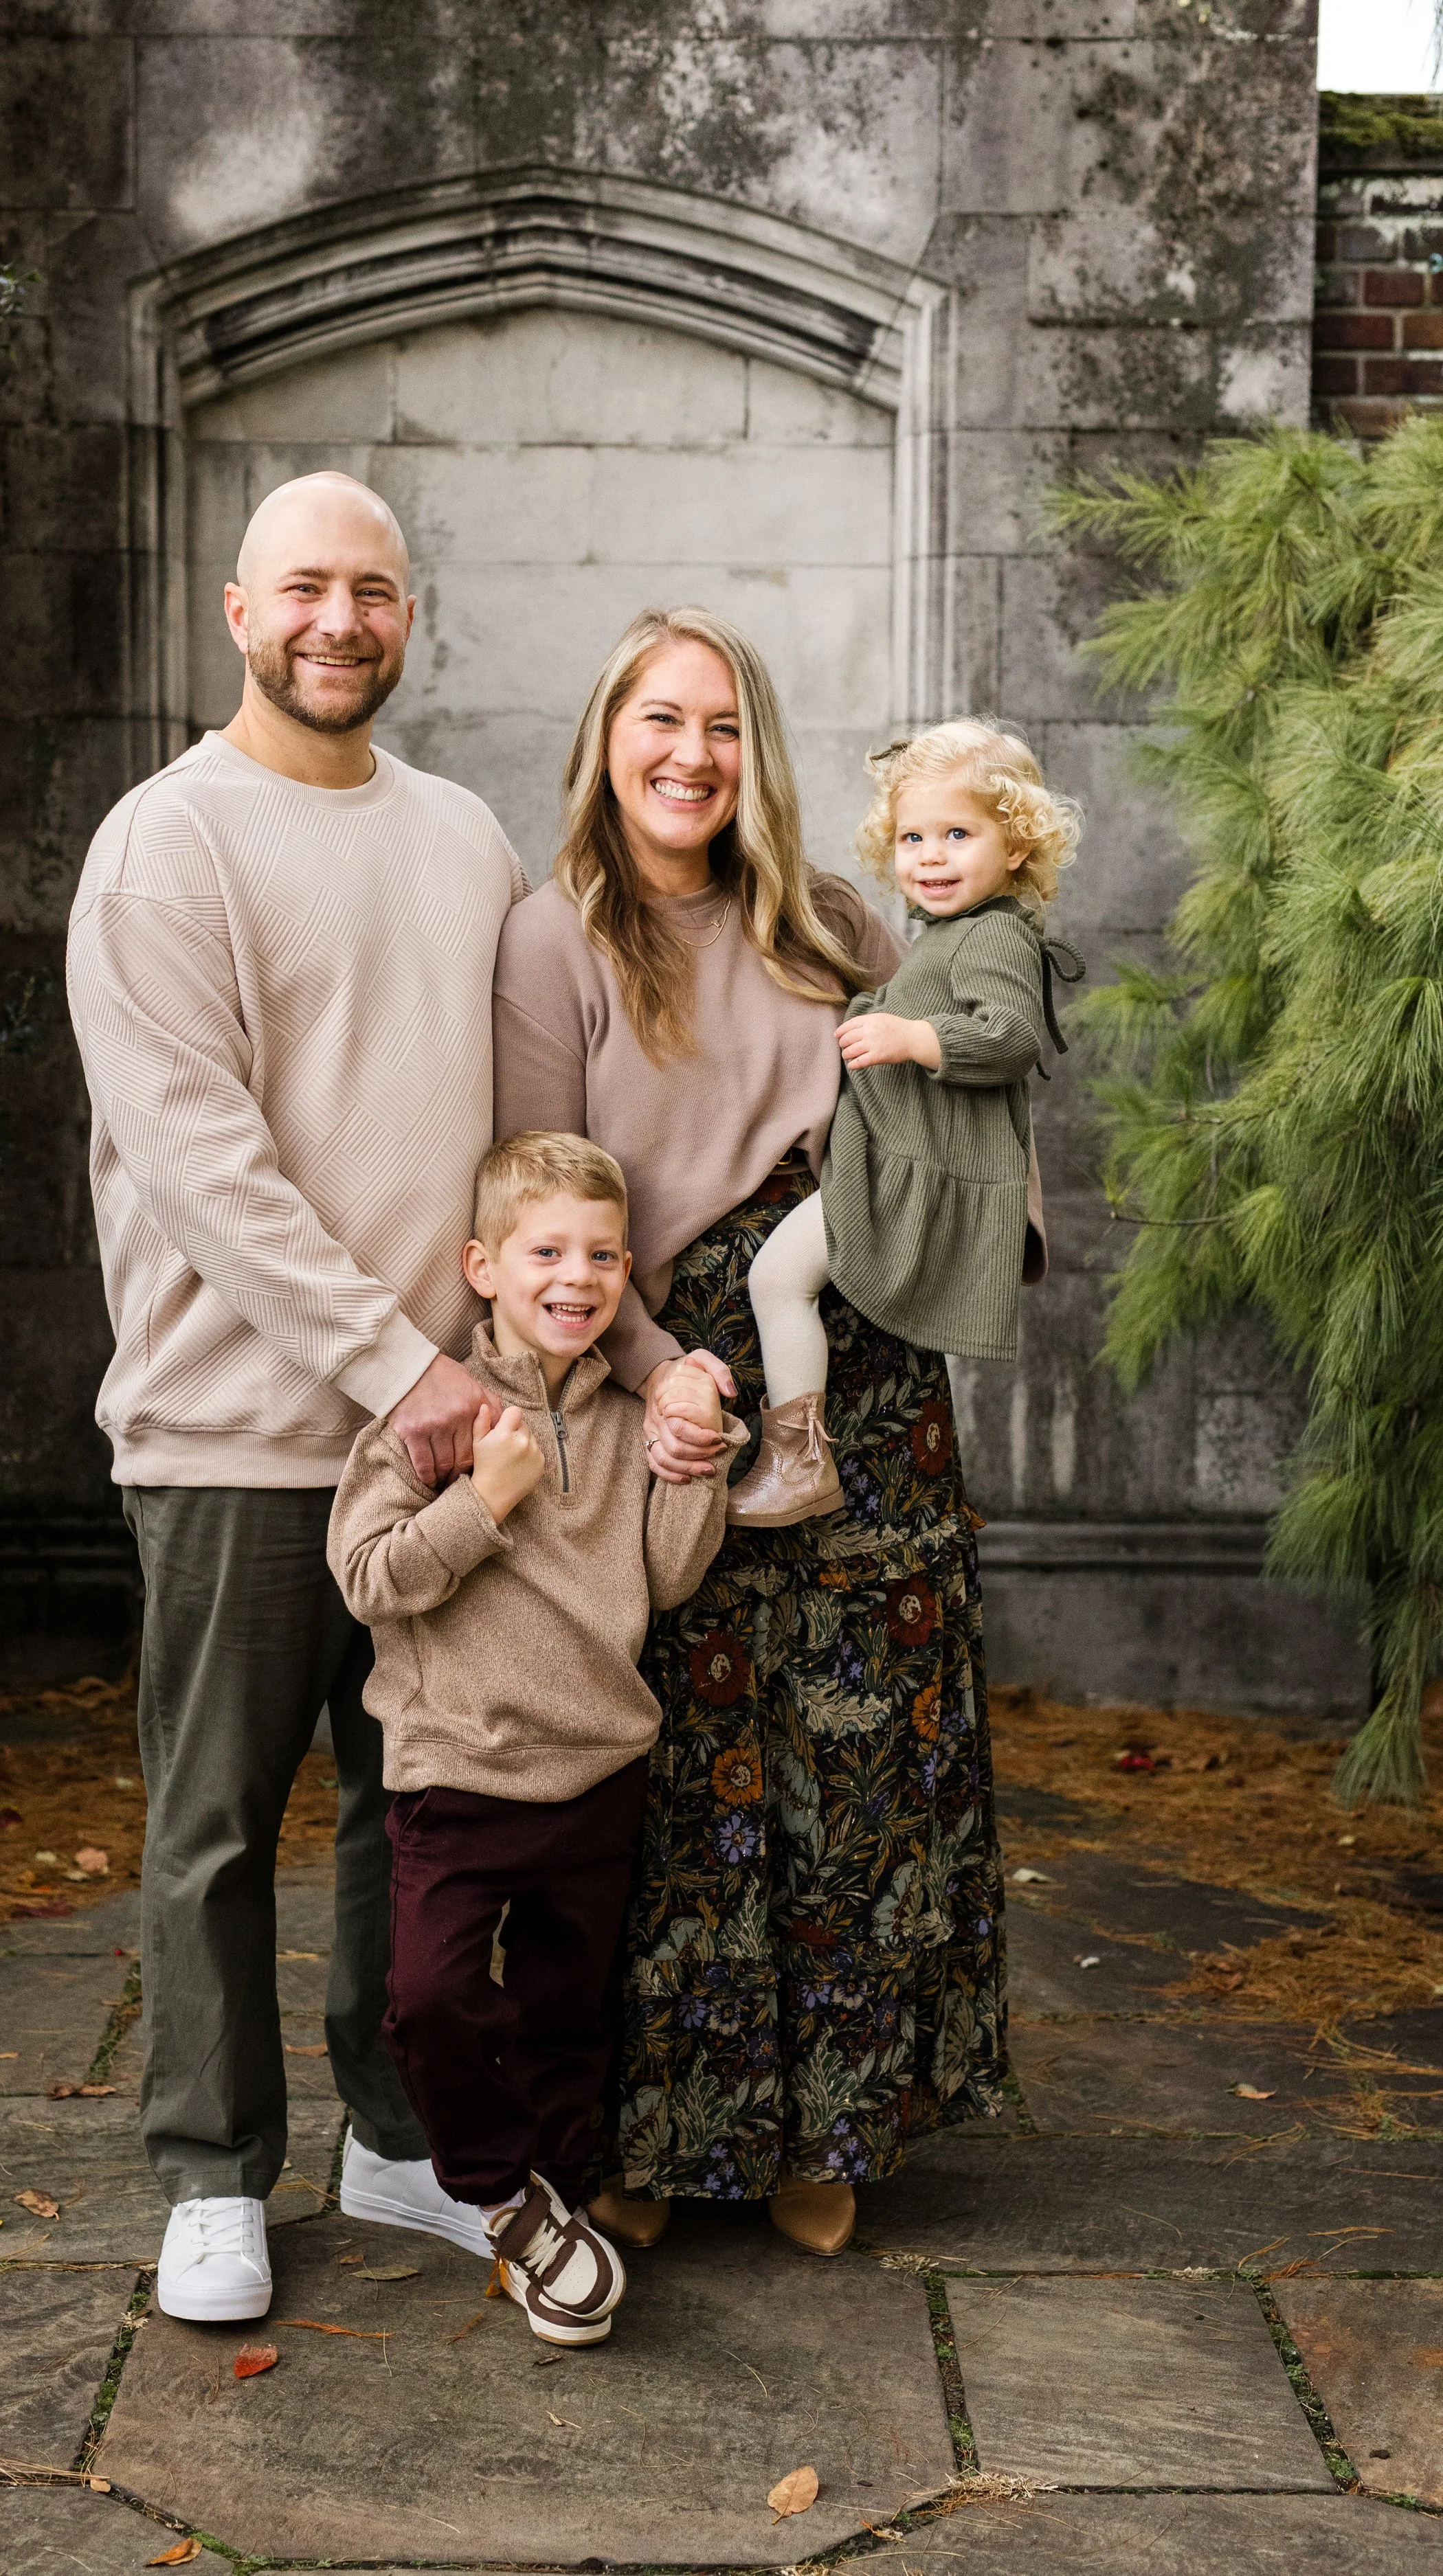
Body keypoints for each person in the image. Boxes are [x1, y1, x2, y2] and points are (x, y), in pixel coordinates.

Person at [493, 607, 1020, 2259]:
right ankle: (667, 2127)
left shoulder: (842, 919)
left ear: (754, 752)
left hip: (862, 1372)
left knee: (860, 1755)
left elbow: (962, 1100)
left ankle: (834, 2123)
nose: (692, 754)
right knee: (683, 1759)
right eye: (662, 718)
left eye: (723, 725)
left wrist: (986, 1230)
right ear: (609, 736)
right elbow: (541, 1186)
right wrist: (651, 1367)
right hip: (687, 1381)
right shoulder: (549, 938)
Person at [67, 471, 528, 2324]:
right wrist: (401, 1364)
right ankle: (209, 2169)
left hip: (438, 1443)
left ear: (408, 620)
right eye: (308, 590)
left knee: (412, 1811)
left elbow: (521, 1108)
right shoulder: (164, 844)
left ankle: (398, 2139)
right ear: (240, 612)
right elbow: (203, 1163)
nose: (343, 621)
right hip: (240, 1433)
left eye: (379, 592)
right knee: (216, 1820)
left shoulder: (465, 836)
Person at [326, 1132, 740, 2344]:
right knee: (433, 1998)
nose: (580, 1276)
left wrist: (695, 1464)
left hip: (598, 1772)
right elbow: (367, 1580)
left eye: (604, 1254)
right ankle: (500, 2196)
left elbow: (665, 1580)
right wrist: (482, 1503)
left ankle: (557, 2208)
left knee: (569, 2011)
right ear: (485, 1267)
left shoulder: (627, 1415)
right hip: (458, 1772)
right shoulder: (431, 1414)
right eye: (548, 1250)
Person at [731, 719, 1080, 1527]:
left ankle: (798, 1462)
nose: (929, 855)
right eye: (912, 836)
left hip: (908, 1173)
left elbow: (1011, 1036)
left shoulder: (993, 936)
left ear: (1017, 846)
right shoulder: (951, 934)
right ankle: (801, 1453)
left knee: (776, 1279)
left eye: (958, 834)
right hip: (893, 1157)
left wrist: (914, 1037)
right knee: (783, 1279)